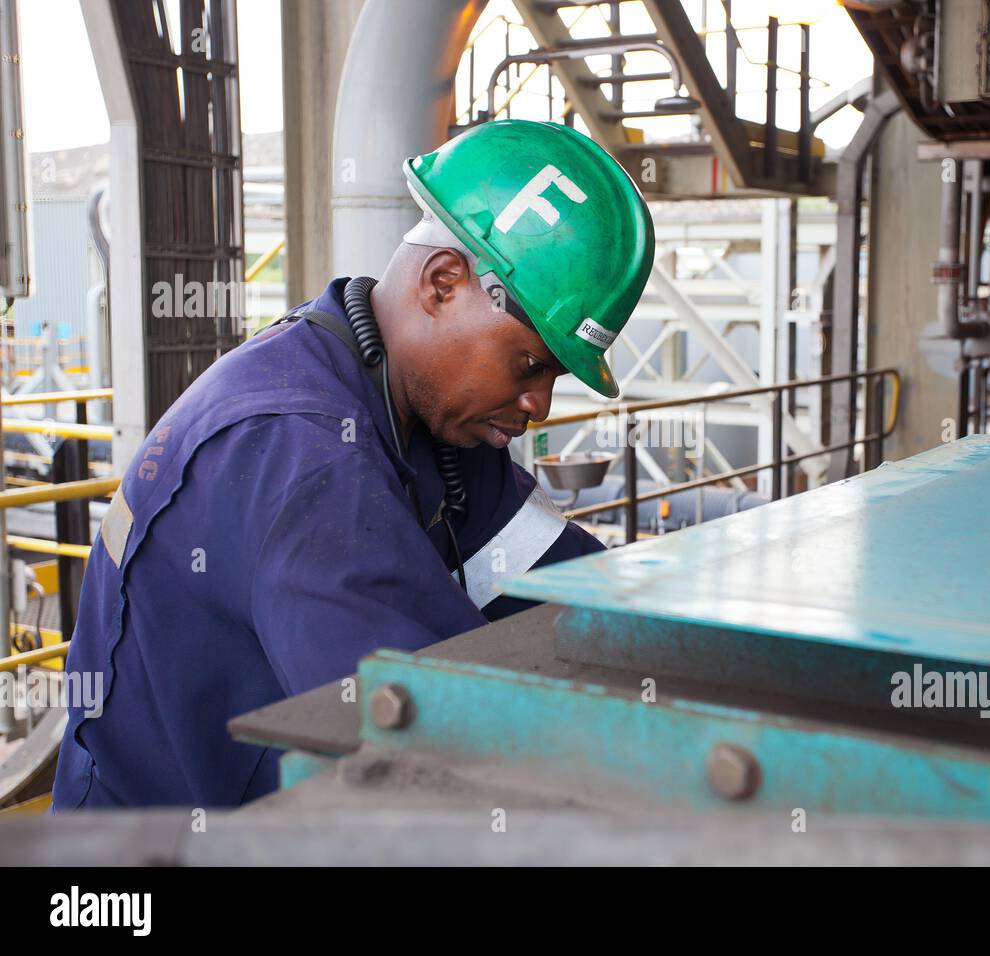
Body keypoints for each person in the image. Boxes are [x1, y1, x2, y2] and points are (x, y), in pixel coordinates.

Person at [52, 119, 654, 809]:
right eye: (530, 365)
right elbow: (423, 743)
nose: (539, 404)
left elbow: (567, 584)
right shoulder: (297, 454)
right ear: (442, 282)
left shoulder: (425, 413)